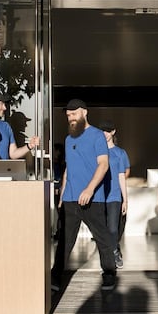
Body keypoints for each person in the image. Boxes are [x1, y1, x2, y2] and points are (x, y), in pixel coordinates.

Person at [51, 99, 117, 291]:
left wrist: (89, 189)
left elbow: (103, 165)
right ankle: (55, 277)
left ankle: (109, 273)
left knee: (102, 238)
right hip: (71, 198)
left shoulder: (97, 136)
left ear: (84, 113)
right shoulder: (69, 138)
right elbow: (68, 169)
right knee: (64, 240)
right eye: (68, 115)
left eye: (74, 114)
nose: (70, 118)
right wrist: (63, 193)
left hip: (92, 198)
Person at [98, 120, 130, 269]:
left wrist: (126, 199)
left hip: (114, 195)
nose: (105, 134)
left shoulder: (120, 153)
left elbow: (121, 176)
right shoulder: (96, 151)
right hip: (98, 195)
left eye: (108, 130)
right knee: (102, 229)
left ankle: (115, 251)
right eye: (102, 131)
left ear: (113, 132)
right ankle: (108, 256)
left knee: (112, 227)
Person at [0, 91, 39, 160]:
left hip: (3, 170)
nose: (4, 108)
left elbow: (13, 154)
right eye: (1, 104)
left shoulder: (5, 126)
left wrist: (30, 146)